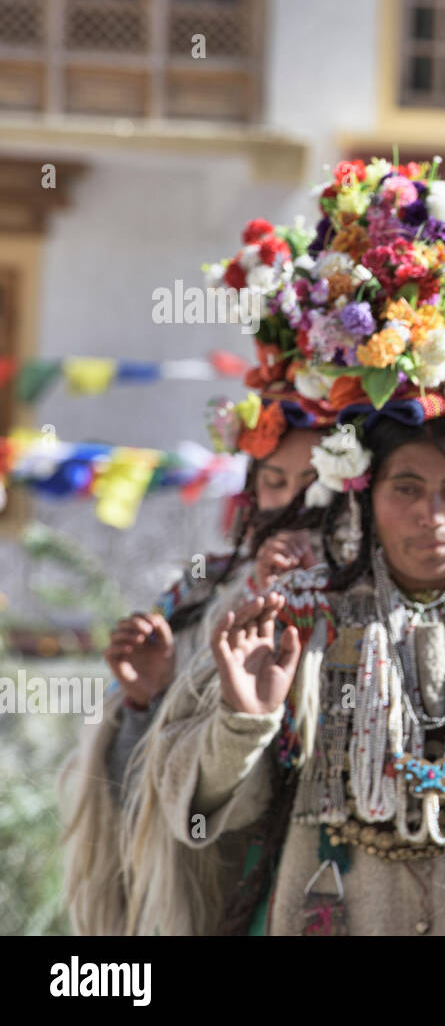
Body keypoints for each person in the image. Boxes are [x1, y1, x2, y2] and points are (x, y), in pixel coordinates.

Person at [115, 156, 445, 935]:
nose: (433, 515)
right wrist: (246, 717)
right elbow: (192, 816)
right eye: (407, 489)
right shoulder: (295, 615)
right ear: (365, 494)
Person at [59, 390, 327, 935]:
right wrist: (149, 702)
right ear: (252, 491)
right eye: (276, 482)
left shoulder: (376, 606)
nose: (294, 503)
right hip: (219, 901)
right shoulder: (199, 593)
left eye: (314, 484)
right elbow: (146, 800)